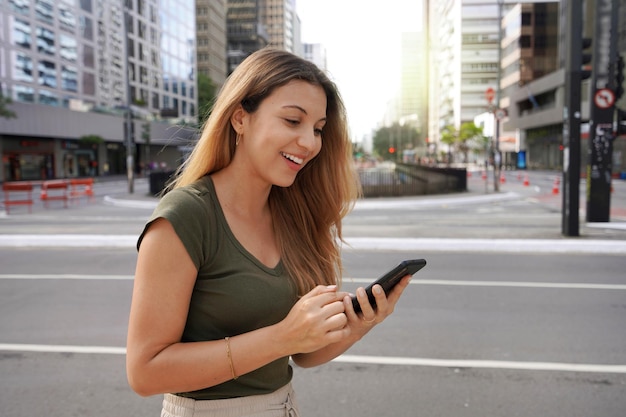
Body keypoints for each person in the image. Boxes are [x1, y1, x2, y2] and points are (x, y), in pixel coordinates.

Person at [126, 48, 413, 417]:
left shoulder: (295, 215)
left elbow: (304, 354)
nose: (309, 142)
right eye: (293, 121)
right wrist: (281, 337)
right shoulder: (187, 216)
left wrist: (360, 324)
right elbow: (144, 372)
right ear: (240, 118)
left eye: (318, 129)